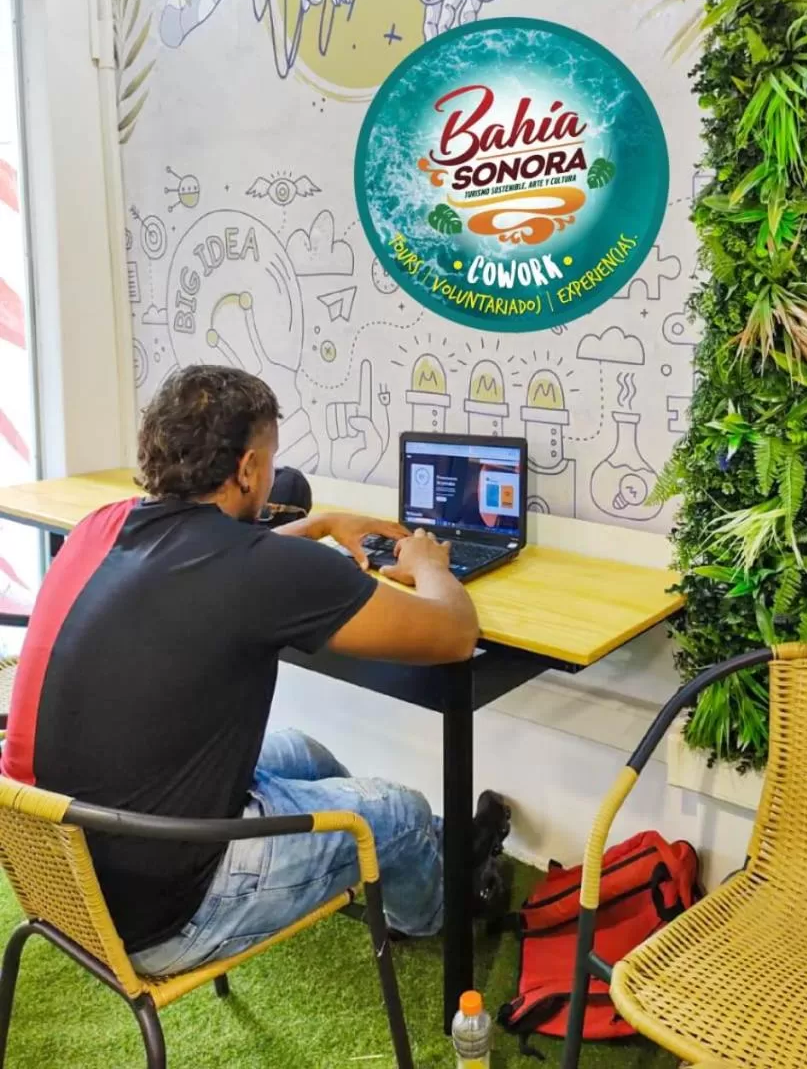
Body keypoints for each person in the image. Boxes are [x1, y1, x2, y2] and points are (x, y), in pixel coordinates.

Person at [0, 365, 510, 976]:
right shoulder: (260, 570)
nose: (270, 475)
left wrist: (319, 525)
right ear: (246, 470)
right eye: (269, 461)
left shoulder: (100, 528)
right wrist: (430, 564)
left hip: (62, 873)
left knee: (307, 754)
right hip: (165, 912)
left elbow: (227, 565)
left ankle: (443, 845)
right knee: (394, 811)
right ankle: (438, 910)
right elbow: (455, 635)